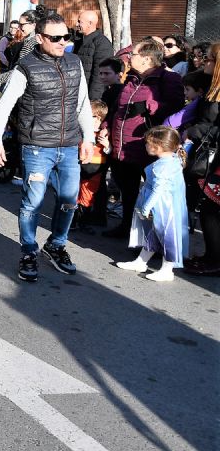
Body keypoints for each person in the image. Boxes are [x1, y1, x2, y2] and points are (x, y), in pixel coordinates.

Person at [0, 12, 93, 282]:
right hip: (36, 146)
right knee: (32, 202)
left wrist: (88, 138)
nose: (62, 43)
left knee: (69, 201)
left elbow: (83, 104)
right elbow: (5, 104)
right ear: (40, 38)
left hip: (69, 144)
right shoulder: (26, 66)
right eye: (55, 38)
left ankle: (56, 245)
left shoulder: (74, 62)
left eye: (66, 37)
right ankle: (28, 252)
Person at [103, 38, 184, 239]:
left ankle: (152, 238)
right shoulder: (131, 78)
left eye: (134, 54)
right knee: (127, 190)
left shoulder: (167, 79)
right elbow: (117, 108)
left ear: (147, 59)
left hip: (146, 147)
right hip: (122, 144)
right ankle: (127, 227)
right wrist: (106, 126)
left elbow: (176, 110)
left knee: (151, 194)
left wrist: (151, 106)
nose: (129, 57)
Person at [116, 127, 189, 281]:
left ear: (158, 146)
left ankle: (167, 270)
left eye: (148, 143)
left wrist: (146, 207)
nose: (146, 146)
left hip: (162, 208)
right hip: (167, 205)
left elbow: (158, 190)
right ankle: (141, 262)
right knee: (154, 235)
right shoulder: (173, 159)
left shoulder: (162, 166)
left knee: (166, 237)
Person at [183, 43, 220, 276]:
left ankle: (215, 261)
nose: (202, 61)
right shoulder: (212, 88)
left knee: (211, 210)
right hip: (209, 157)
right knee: (208, 209)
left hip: (216, 161)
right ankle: (211, 256)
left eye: (208, 59)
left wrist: (195, 131)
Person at [71, 100, 111, 232]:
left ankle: (83, 221)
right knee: (73, 194)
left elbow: (109, 152)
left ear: (99, 118)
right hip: (79, 166)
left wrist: (107, 146)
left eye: (92, 117)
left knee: (88, 197)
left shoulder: (103, 134)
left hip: (95, 169)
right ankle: (71, 221)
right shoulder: (81, 132)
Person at [74, 10, 114, 101]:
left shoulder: (102, 44)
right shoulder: (79, 41)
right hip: (78, 92)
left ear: (90, 23)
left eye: (80, 22)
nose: (77, 24)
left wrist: (94, 100)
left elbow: (100, 76)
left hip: (89, 96)